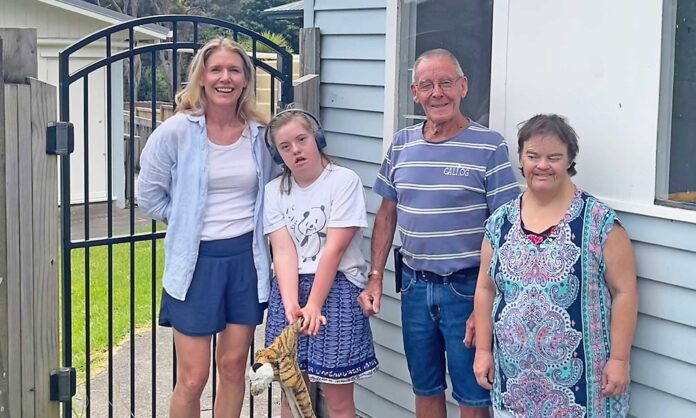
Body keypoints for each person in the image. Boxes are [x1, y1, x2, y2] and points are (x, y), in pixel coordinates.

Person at [360, 48, 520, 418]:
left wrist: (485, 302)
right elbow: (387, 215)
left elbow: (506, 229)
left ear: (463, 87)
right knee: (426, 388)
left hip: (467, 289)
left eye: (446, 83)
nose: (437, 93)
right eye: (427, 85)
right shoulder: (401, 143)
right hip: (415, 287)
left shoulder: (489, 146)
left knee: (473, 397)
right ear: (415, 93)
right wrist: (375, 278)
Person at [137, 37, 278, 418]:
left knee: (232, 367)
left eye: (234, 70)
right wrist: (185, 219)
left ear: (246, 80)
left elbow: (278, 190)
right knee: (193, 377)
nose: (225, 78)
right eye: (216, 70)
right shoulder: (177, 131)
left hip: (246, 262)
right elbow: (147, 195)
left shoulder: (261, 135)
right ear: (201, 77)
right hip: (195, 264)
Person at [472, 114, 638, 418]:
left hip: (584, 392)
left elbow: (624, 292)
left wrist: (620, 360)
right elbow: (485, 288)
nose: (542, 165)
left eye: (554, 157)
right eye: (533, 156)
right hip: (513, 387)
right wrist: (483, 351)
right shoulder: (499, 223)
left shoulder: (599, 222)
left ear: (570, 160)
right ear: (521, 158)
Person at [263, 108, 379, 418]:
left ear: (317, 138)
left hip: (336, 289)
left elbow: (334, 249)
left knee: (337, 398)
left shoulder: (343, 181)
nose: (295, 150)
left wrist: (314, 305)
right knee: (292, 394)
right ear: (277, 155)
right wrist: (291, 305)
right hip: (289, 290)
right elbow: (283, 251)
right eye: (285, 146)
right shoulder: (274, 191)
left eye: (301, 139)